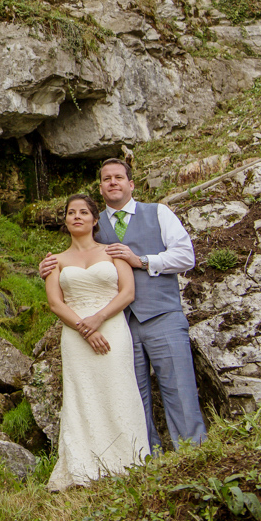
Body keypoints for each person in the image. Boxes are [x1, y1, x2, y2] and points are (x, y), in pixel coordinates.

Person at [41, 157, 208, 452]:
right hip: (117, 324)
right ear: (101, 189)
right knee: (131, 394)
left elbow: (186, 257)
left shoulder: (158, 213)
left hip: (161, 314)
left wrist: (142, 261)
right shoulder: (93, 223)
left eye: (119, 177)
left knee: (179, 388)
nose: (113, 182)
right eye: (106, 179)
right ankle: (145, 457)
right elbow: (73, 259)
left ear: (130, 184)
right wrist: (47, 267)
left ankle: (193, 453)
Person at [44, 193, 149, 491]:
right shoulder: (55, 261)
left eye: (83, 212)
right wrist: (84, 328)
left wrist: (99, 319)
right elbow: (55, 303)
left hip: (113, 327)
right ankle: (83, 467)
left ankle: (128, 460)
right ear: (65, 220)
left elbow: (127, 293)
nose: (76, 216)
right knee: (81, 395)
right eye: (70, 212)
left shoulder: (114, 251)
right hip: (76, 335)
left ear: (94, 219)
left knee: (119, 388)